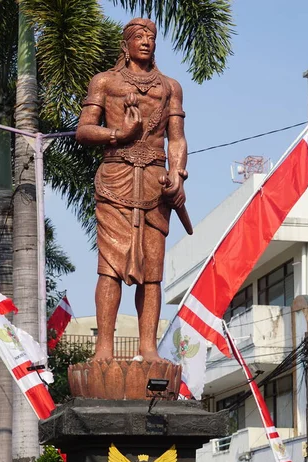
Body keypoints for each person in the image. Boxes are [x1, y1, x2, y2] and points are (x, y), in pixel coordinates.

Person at [76, 17, 188, 361]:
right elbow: (84, 130)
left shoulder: (170, 87)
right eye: (139, 36)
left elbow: (177, 139)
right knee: (109, 265)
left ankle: (148, 348)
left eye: (151, 36)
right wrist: (119, 135)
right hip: (116, 176)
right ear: (125, 44)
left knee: (152, 270)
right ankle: (104, 348)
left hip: (155, 182)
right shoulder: (105, 82)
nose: (146, 41)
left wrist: (178, 174)